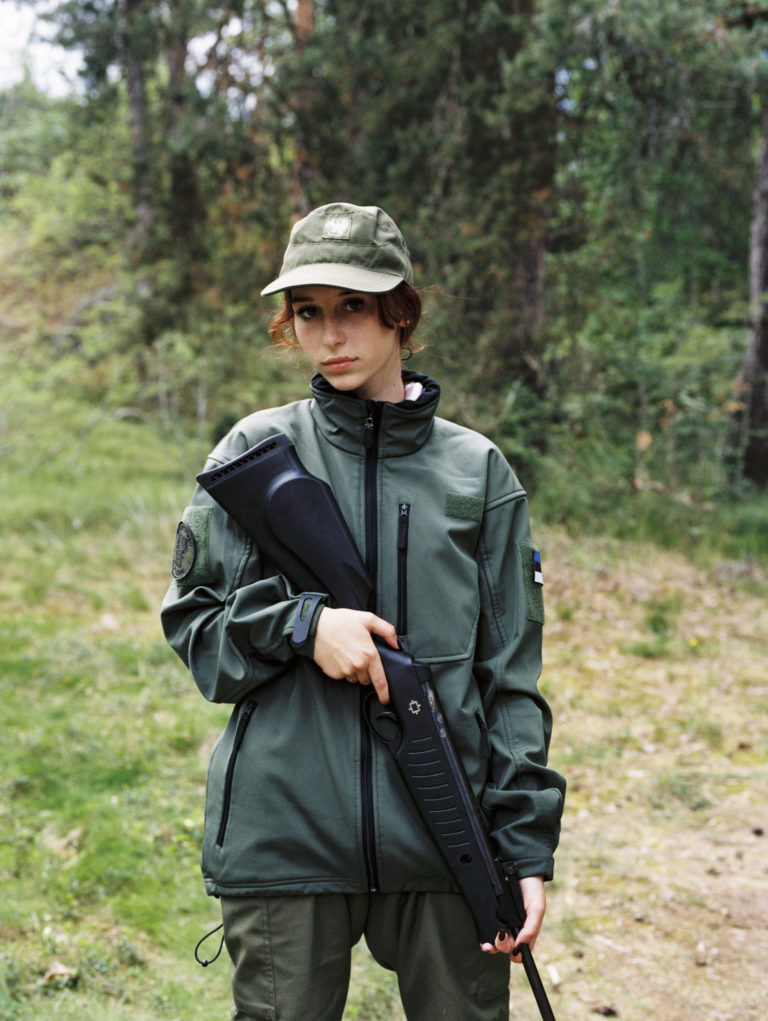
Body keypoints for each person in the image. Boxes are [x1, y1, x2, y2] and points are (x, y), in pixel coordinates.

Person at [161, 201, 566, 1021]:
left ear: (400, 312)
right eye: (308, 312)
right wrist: (304, 626)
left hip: (447, 827)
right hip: (286, 834)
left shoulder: (478, 472)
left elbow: (510, 680)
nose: (331, 334)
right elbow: (197, 629)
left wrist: (525, 844)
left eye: (353, 305)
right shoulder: (253, 455)